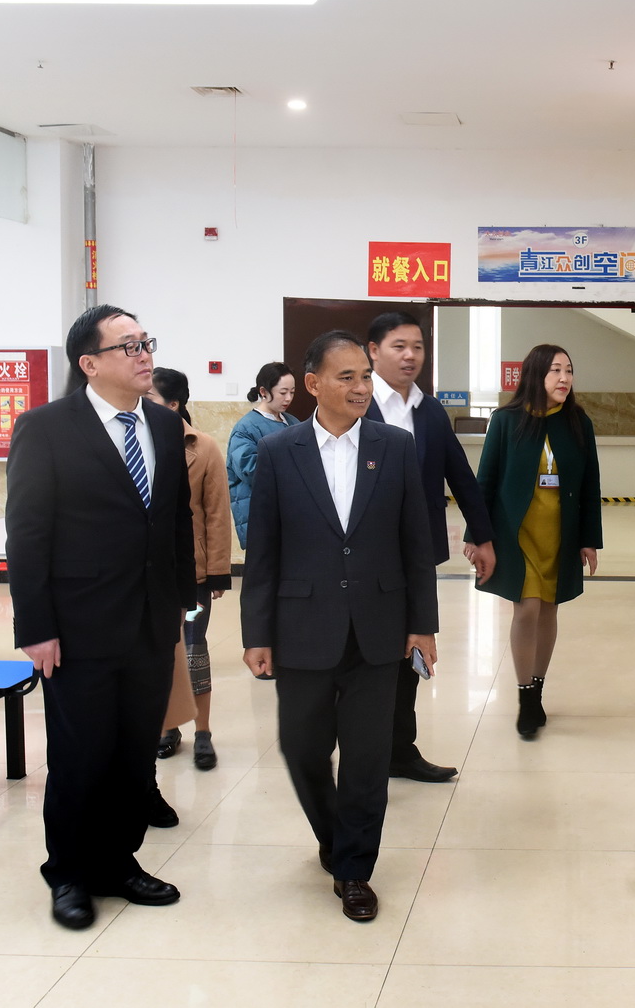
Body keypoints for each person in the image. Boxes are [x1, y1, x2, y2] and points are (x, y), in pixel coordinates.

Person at [6, 306, 196, 931]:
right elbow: (27, 534)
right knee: (80, 755)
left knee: (135, 752)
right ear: (89, 363)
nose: (145, 355)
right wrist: (36, 627)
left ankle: (119, 861)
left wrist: (181, 599)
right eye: (129, 346)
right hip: (78, 626)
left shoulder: (163, 426)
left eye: (146, 342)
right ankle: (68, 872)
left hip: (150, 622)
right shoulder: (45, 428)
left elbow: (173, 520)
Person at [240, 330, 438, 923]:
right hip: (301, 625)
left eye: (364, 376)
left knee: (367, 757)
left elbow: (415, 543)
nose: (360, 387)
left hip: (379, 626)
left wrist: (423, 625)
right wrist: (257, 633)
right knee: (302, 747)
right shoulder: (279, 451)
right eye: (346, 377)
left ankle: (354, 868)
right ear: (313, 384)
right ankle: (333, 836)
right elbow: (265, 550)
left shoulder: (394, 446)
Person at [364, 311, 496, 783]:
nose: (410, 356)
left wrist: (482, 536)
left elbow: (461, 475)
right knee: (366, 655)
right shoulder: (357, 405)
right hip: (361, 557)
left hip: (415, 557)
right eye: (399, 346)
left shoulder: (430, 411)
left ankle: (400, 750)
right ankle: (363, 751)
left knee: (411, 651)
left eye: (417, 347)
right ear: (373, 351)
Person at [472, 343, 602, 739]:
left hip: (560, 534)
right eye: (555, 371)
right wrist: (478, 535)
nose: (564, 378)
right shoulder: (506, 420)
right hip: (517, 534)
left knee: (548, 610)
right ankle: (525, 693)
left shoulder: (577, 421)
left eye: (569, 370)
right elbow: (485, 479)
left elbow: (591, 484)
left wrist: (589, 539)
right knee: (527, 608)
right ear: (536, 375)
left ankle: (537, 688)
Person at [149, 367, 232, 771]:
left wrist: (217, 571)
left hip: (193, 576)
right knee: (159, 653)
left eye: (150, 399)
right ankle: (168, 726)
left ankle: (203, 732)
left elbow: (217, 513)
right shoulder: (137, 442)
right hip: (149, 576)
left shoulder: (204, 446)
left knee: (194, 651)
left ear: (173, 404)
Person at [227, 361, 295, 548]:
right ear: (264, 392)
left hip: (288, 514)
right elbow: (252, 471)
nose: (288, 398)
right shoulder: (245, 428)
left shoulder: (292, 421)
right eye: (283, 392)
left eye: (292, 392)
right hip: (261, 515)